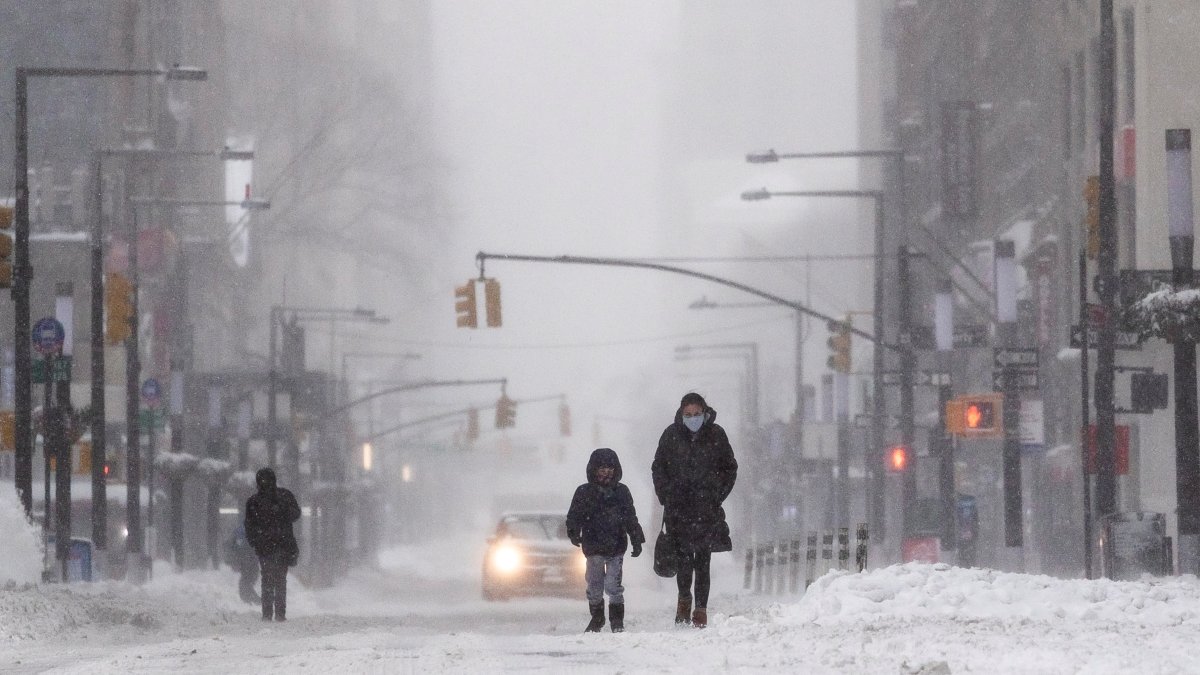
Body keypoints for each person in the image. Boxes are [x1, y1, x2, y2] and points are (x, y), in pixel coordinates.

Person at [651, 392, 737, 629]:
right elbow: (658, 467)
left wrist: (716, 494)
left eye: (696, 414)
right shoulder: (671, 435)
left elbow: (729, 468)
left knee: (703, 561)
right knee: (684, 560)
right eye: (688, 414)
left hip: (706, 509)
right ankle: (684, 600)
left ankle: (700, 609)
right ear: (681, 414)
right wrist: (666, 494)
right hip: (678, 510)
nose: (692, 418)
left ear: (704, 412)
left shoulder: (716, 435)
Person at [566, 447, 646, 633]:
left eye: (610, 469)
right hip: (593, 547)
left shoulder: (621, 492)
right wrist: (573, 531)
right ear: (594, 470)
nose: (606, 473)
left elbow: (630, 517)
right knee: (594, 585)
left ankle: (617, 620)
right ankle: (597, 617)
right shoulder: (584, 492)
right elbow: (574, 515)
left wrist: (636, 538)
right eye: (602, 469)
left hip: (616, 546)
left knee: (613, 585)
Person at [244, 468, 300, 622]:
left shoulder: (254, 502)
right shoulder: (284, 496)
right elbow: (296, 514)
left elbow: (249, 525)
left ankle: (268, 613)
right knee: (278, 579)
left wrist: (255, 540)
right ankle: (278, 614)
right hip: (279, 544)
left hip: (269, 545)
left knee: (269, 579)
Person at [226, 521, 261, 604]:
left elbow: (232, 546)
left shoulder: (240, 531)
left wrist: (233, 560)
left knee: (245, 582)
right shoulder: (254, 532)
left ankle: (252, 600)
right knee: (246, 582)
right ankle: (253, 600)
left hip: (246, 561)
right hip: (249, 561)